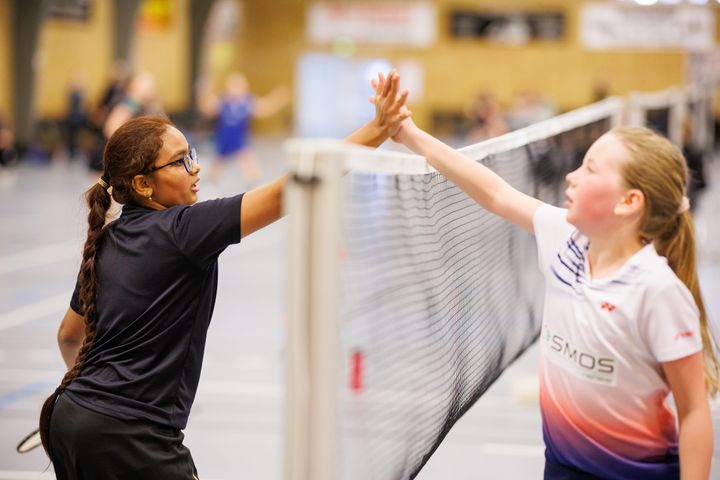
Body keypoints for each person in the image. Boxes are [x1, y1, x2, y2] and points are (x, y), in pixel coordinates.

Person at [39, 71, 410, 479]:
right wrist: (378, 129)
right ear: (144, 184)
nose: (194, 168)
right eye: (180, 162)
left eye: (192, 153)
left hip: (69, 420)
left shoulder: (105, 240)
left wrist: (93, 405)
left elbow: (68, 336)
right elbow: (289, 191)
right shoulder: (185, 229)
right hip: (133, 437)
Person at [386, 113, 718, 478]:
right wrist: (409, 134)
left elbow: (693, 412)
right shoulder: (565, 238)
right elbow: (496, 193)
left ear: (628, 202)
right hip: (561, 466)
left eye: (590, 169)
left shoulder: (657, 292)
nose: (571, 176)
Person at [197, 71, 290, 188]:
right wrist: (203, 91)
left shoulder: (248, 102)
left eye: (239, 86)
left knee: (247, 159)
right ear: (227, 88)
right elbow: (206, 108)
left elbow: (265, 109)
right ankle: (211, 182)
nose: (236, 89)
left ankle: (254, 181)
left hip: (239, 139)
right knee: (219, 161)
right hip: (225, 138)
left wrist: (278, 98)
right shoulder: (223, 102)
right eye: (233, 86)